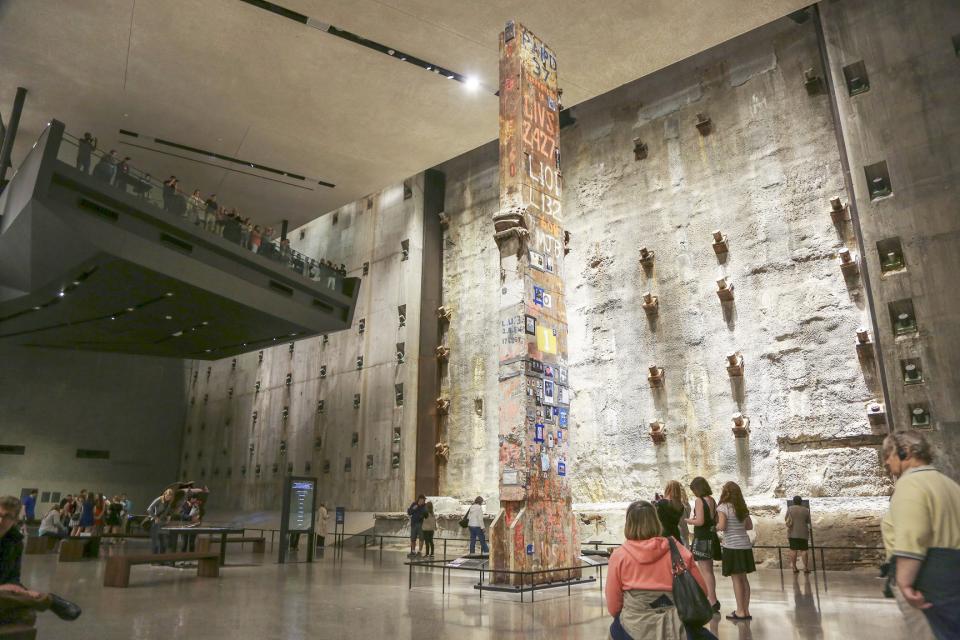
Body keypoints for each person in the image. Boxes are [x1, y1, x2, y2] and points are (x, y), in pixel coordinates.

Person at [881, 430, 960, 639]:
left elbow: (912, 535)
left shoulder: (910, 484)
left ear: (904, 451)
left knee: (928, 632)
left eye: (887, 455)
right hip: (953, 575)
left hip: (925, 580)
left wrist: (905, 582)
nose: (886, 463)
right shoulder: (950, 484)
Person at [606, 500, 708, 640]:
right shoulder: (677, 550)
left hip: (633, 626)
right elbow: (702, 591)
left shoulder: (619, 556)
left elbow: (613, 606)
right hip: (678, 627)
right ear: (656, 521)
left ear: (628, 524)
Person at [0, 496, 82, 626]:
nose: (1, 521)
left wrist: (16, 588)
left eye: (7, 517)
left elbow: (13, 576)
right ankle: (49, 600)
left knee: (25, 613)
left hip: (4, 589)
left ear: (15, 521)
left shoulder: (15, 542)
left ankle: (36, 597)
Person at [717, 481, 755, 622]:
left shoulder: (723, 507)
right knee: (744, 579)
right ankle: (745, 610)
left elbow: (722, 526)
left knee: (736, 580)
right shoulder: (742, 508)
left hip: (732, 547)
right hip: (745, 546)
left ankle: (739, 611)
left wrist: (714, 527)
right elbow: (749, 526)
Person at [687, 477, 720, 612]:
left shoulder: (699, 501)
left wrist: (688, 520)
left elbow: (700, 521)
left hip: (702, 538)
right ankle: (713, 599)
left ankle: (711, 600)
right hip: (711, 537)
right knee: (709, 571)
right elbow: (715, 519)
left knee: (705, 571)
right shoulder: (712, 500)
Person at [146, 489, 176, 557]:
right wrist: (155, 517)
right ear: (165, 494)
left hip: (163, 523)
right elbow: (149, 509)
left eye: (170, 496)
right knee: (156, 543)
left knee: (164, 542)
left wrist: (169, 517)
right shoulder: (159, 499)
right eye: (168, 495)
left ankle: (162, 559)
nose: (169, 497)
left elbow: (168, 511)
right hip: (156, 523)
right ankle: (154, 560)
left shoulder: (169, 502)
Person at [786, 496, 811, 573]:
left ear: (793, 501)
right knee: (804, 551)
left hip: (793, 532)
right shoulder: (806, 510)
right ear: (801, 501)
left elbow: (786, 518)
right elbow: (808, 521)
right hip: (803, 533)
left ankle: (794, 567)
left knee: (793, 550)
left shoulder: (790, 509)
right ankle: (805, 567)